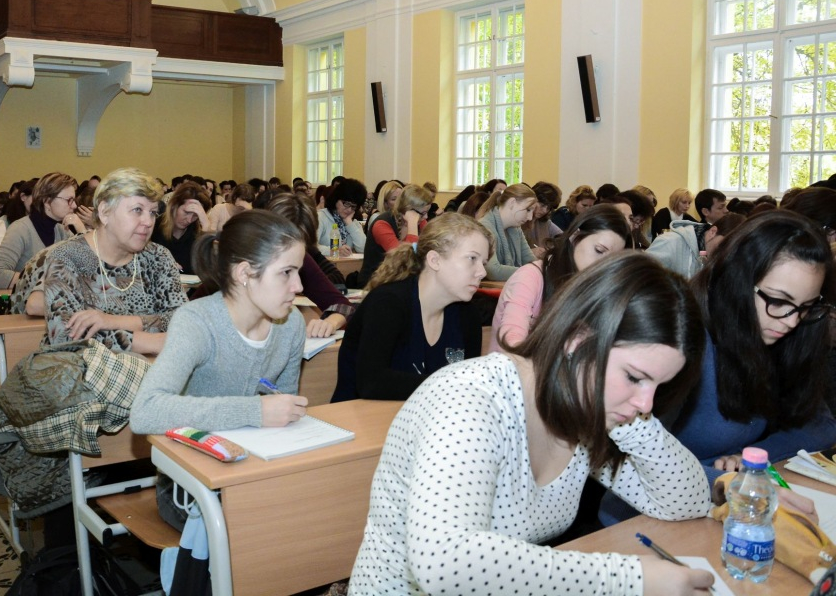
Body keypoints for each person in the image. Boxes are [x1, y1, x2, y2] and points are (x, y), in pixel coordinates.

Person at [348, 253, 715, 596]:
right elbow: (443, 561)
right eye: (634, 377)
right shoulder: (470, 398)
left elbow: (686, 502)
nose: (647, 404)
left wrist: (631, 416)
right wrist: (629, 579)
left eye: (658, 386)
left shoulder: (585, 408)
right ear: (577, 341)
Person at [129, 209, 309, 530]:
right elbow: (145, 412)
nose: (298, 285)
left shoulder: (291, 324)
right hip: (193, 488)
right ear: (244, 273)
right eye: (286, 272)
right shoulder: (197, 321)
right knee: (272, 526)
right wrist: (254, 411)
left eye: (298, 272)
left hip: (256, 472)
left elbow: (283, 414)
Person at [673, 210, 836, 482]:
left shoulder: (781, 337)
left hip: (724, 495)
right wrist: (719, 480)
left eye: (806, 306)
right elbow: (633, 462)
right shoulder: (683, 338)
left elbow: (822, 425)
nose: (792, 321)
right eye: (778, 301)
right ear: (736, 280)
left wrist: (752, 456)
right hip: (656, 502)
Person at [331, 213, 491, 403]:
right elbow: (371, 383)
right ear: (435, 260)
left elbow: (468, 386)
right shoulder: (388, 303)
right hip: (361, 416)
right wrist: (449, 385)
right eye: (472, 258)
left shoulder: (468, 315)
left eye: (484, 263)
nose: (482, 272)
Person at [41, 168, 186, 354]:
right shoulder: (67, 257)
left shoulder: (158, 256)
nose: (148, 222)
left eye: (152, 212)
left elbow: (182, 321)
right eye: (137, 210)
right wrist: (154, 342)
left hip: (156, 368)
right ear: (104, 212)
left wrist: (112, 321)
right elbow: (66, 336)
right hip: (85, 369)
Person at [491, 204, 629, 351]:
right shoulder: (530, 276)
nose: (603, 265)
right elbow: (511, 340)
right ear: (575, 236)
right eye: (599, 250)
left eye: (611, 260)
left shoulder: (593, 289)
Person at [258, 191, 354, 337]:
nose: (298, 286)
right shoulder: (247, 263)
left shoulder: (302, 258)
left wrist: (330, 322)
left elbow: (343, 306)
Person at [0, 172, 84, 290]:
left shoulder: (62, 231)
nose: (74, 206)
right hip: (27, 300)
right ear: (47, 201)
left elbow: (88, 271)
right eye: (69, 200)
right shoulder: (20, 229)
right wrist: (50, 280)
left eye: (74, 200)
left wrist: (82, 232)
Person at [358, 184, 432, 288]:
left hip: (402, 282)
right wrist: (412, 224)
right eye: (423, 213)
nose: (426, 217)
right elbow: (404, 260)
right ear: (408, 210)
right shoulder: (382, 224)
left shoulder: (421, 222)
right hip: (376, 283)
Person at [645, 212, 745, 279]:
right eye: (723, 246)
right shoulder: (669, 243)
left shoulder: (711, 255)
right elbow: (640, 279)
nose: (723, 254)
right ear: (713, 232)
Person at [476, 183, 537, 281]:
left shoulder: (516, 229)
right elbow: (493, 271)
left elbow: (530, 261)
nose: (530, 217)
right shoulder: (484, 227)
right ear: (512, 203)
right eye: (528, 210)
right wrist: (532, 272)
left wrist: (539, 269)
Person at [151, 180, 211, 274]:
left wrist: (206, 226)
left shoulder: (197, 233)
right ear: (174, 205)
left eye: (195, 215)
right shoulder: (153, 228)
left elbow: (210, 271)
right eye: (186, 212)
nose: (189, 220)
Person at [315, 178, 367, 256]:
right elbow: (311, 247)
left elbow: (364, 248)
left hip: (347, 263)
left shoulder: (353, 222)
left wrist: (349, 223)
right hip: (325, 262)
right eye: (346, 204)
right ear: (336, 199)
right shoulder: (320, 217)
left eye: (353, 206)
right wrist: (335, 251)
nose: (349, 210)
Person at [522, 180, 563, 254]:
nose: (544, 211)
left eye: (549, 208)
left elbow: (563, 238)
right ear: (532, 199)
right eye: (542, 205)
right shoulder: (519, 221)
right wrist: (529, 253)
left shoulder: (545, 223)